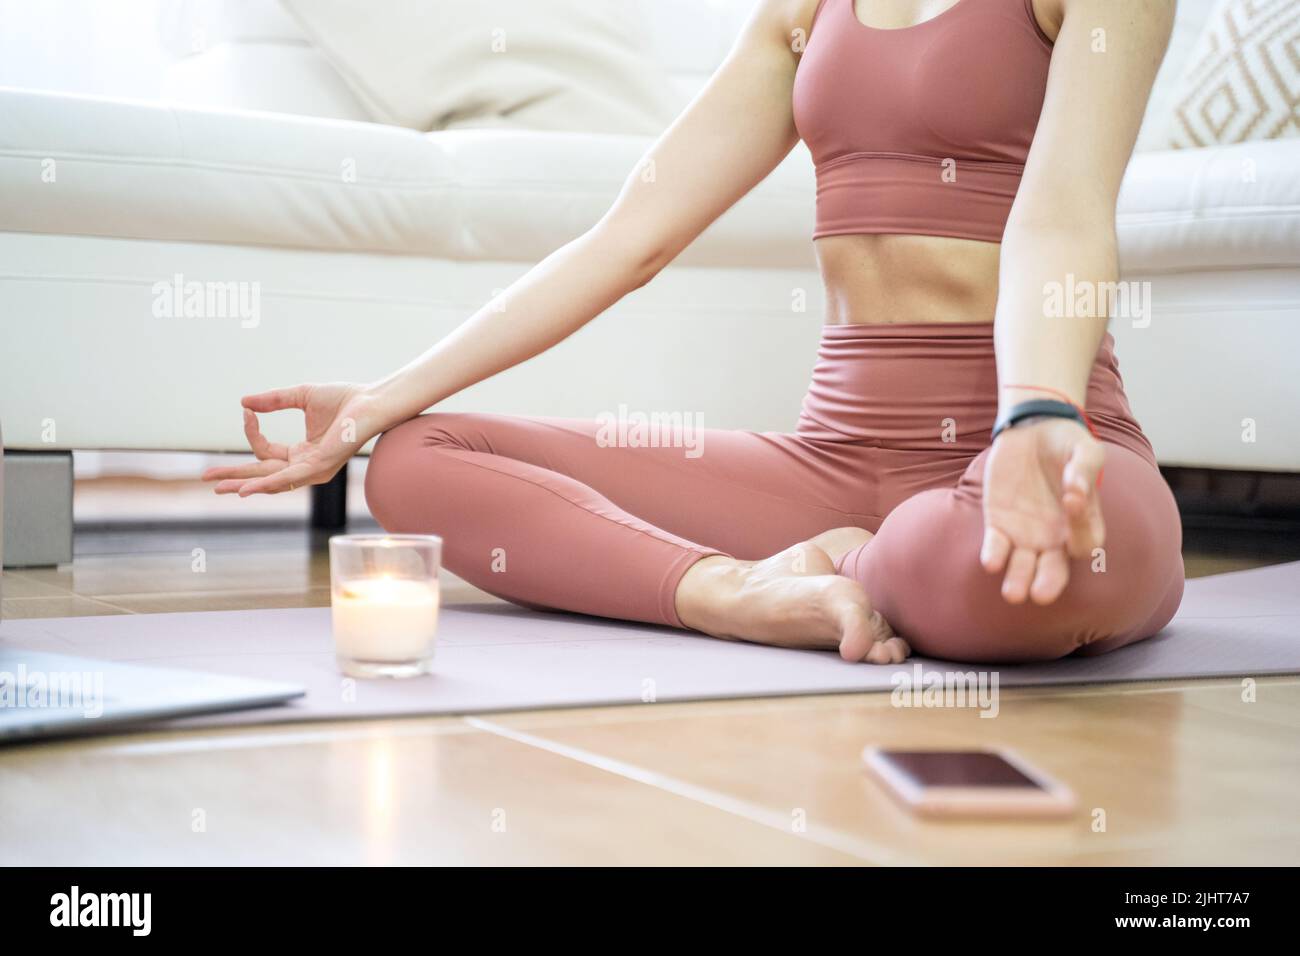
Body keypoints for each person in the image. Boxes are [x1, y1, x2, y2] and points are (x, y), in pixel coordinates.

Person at [204, 0, 1184, 665]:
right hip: (834, 462)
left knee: (968, 561)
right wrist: (379, 401)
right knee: (415, 464)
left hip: (1047, 452)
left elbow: (1061, 210)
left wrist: (1033, 414)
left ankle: (854, 564)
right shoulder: (805, 10)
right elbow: (630, 234)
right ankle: (733, 593)